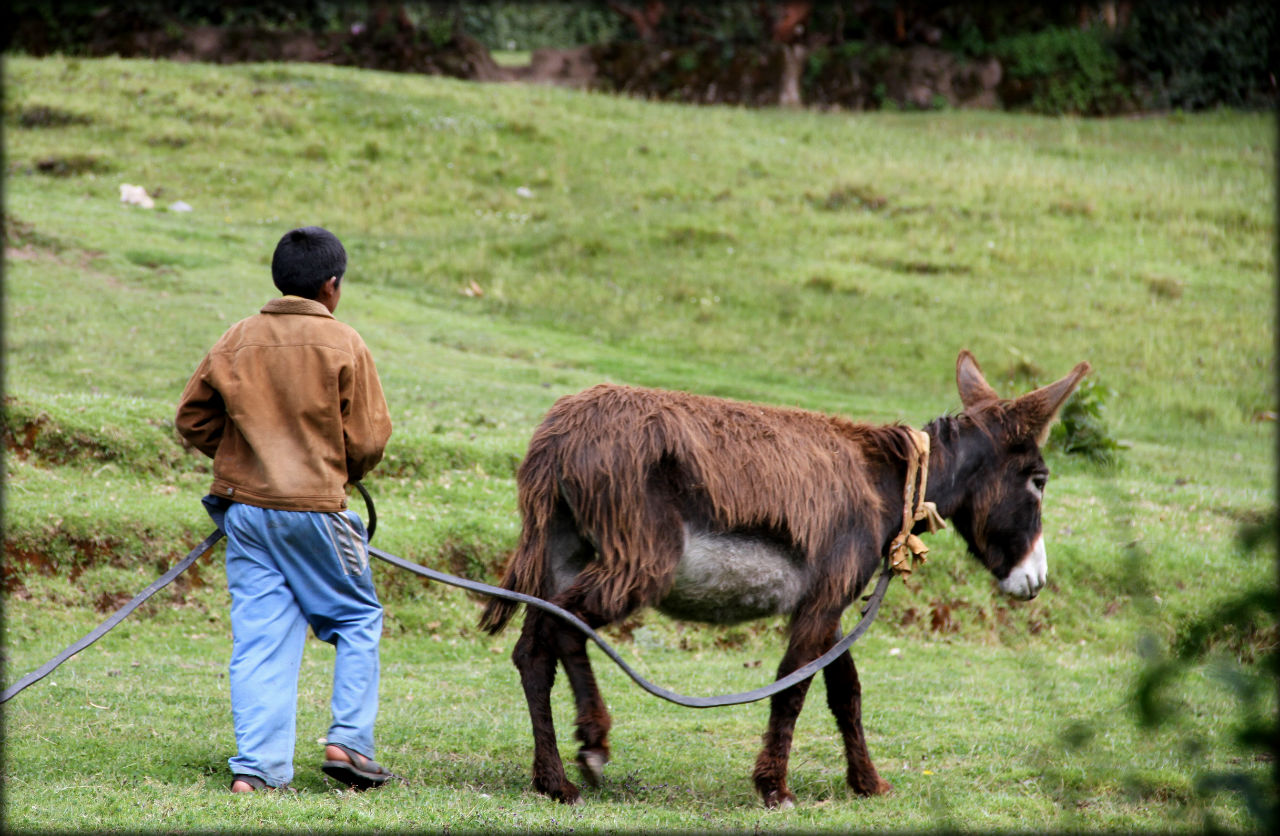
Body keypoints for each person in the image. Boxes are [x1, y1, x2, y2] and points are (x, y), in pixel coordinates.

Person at [176, 226, 395, 792]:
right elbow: (368, 441)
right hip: (318, 512)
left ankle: (258, 772)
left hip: (246, 514)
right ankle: (348, 743)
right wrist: (337, 468)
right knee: (356, 618)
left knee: (261, 639)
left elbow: (193, 420)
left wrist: (244, 455)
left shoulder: (236, 339)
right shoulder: (345, 342)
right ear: (332, 286)